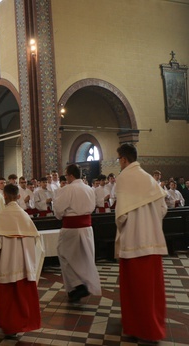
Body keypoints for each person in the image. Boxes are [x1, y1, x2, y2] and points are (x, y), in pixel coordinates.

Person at [114, 143, 168, 342]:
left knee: (135, 290)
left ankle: (138, 328)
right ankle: (153, 328)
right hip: (153, 242)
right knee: (151, 290)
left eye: (119, 159)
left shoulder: (124, 178)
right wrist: (150, 223)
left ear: (125, 159)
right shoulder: (149, 179)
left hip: (133, 243)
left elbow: (121, 217)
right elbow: (163, 209)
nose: (119, 163)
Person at [0, 184, 44, 337]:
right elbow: (38, 245)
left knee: (8, 300)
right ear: (18, 196)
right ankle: (20, 325)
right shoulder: (24, 217)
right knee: (22, 300)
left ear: (5, 197)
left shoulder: (2, 217)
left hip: (6, 266)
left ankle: (9, 327)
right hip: (24, 267)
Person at [53, 164, 101, 303]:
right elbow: (93, 206)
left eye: (66, 175)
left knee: (65, 255)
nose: (66, 178)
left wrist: (59, 214)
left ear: (71, 175)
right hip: (87, 229)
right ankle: (81, 285)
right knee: (84, 257)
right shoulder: (89, 189)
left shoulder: (67, 189)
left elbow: (58, 210)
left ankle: (77, 286)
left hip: (71, 229)